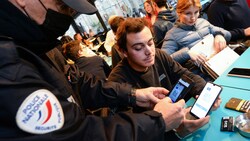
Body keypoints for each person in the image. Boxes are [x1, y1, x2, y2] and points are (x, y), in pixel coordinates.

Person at [0, 0, 191, 140]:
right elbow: (74, 135)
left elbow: (77, 80)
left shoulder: (39, 43)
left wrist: (133, 94)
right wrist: (157, 122)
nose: (66, 17)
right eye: (61, 6)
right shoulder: (7, 64)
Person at [108, 17, 221, 139]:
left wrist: (205, 93)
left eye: (150, 43)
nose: (149, 51)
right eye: (138, 48)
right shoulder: (116, 82)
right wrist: (173, 128)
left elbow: (185, 74)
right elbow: (128, 130)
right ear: (124, 52)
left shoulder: (159, 55)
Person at [161, 0, 231, 81]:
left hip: (223, 63)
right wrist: (187, 53)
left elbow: (228, 34)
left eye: (196, 12)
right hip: (202, 76)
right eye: (188, 13)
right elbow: (164, 61)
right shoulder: (172, 35)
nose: (193, 17)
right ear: (178, 13)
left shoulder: (203, 22)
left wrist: (219, 35)